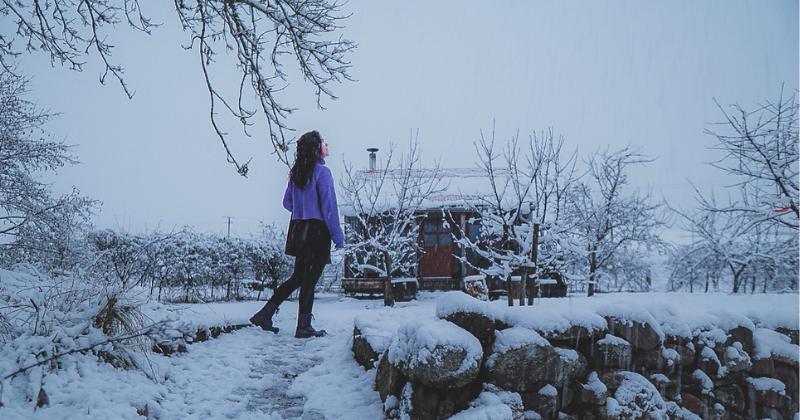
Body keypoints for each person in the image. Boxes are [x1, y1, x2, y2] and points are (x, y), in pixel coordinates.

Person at [250, 130, 345, 338]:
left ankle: (264, 315)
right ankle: (303, 327)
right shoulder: (322, 173)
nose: (326, 144)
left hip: (299, 231)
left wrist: (304, 205)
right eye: (322, 141)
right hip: (317, 232)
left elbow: (287, 203)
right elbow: (329, 208)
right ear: (315, 148)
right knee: (309, 281)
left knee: (298, 278)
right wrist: (338, 237)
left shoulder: (297, 174)